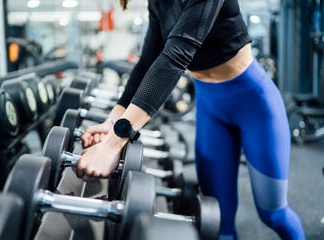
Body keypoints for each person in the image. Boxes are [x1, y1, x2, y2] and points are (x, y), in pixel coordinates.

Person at [76, 0, 305, 239]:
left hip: (255, 105)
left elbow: (177, 55)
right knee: (218, 221)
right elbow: (147, 62)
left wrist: (114, 143)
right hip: (211, 109)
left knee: (273, 214)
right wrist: (113, 121)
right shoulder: (157, 3)